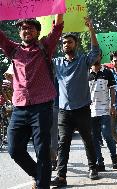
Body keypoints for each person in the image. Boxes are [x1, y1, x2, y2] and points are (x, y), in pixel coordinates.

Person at [0, 15, 64, 189]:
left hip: (42, 106)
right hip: (19, 107)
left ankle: (43, 185)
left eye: (30, 27)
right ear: (19, 32)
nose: (26, 30)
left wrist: (59, 9)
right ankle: (38, 174)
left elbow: (57, 28)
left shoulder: (45, 47)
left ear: (37, 31)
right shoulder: (12, 49)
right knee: (14, 149)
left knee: (42, 150)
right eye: (23, 28)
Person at [51, 18, 100, 187]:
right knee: (63, 142)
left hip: (82, 108)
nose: (66, 45)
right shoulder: (56, 63)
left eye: (69, 42)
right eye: (64, 43)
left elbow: (95, 51)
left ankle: (93, 168)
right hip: (64, 111)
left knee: (88, 139)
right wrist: (53, 31)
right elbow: (43, 53)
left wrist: (91, 29)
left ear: (76, 44)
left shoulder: (83, 61)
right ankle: (61, 175)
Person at [89, 55, 117, 171]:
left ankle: (113, 156)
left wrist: (113, 106)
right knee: (94, 138)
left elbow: (112, 90)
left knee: (107, 134)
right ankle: (99, 162)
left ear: (100, 57)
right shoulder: (86, 72)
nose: (95, 58)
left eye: (97, 56)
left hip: (105, 110)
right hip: (91, 111)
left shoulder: (107, 72)